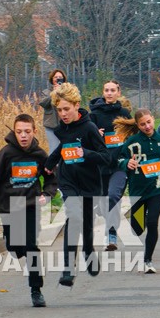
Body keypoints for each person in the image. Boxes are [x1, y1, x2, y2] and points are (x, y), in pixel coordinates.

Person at [44, 82, 111, 285]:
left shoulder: (89, 128)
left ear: (76, 105)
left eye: (66, 109)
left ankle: (89, 252)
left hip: (89, 182)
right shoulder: (61, 129)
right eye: (59, 110)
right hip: (68, 180)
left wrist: (86, 153)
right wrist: (50, 163)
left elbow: (105, 156)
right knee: (73, 217)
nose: (63, 114)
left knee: (87, 223)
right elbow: (64, 147)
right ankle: (68, 269)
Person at [0, 113, 52, 306]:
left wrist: (47, 194)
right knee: (14, 247)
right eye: (19, 132)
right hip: (8, 207)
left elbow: (51, 177)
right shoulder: (6, 154)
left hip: (31, 205)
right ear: (14, 132)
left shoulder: (40, 155)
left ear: (34, 131)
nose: (23, 135)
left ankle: (36, 290)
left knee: (31, 247)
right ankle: (14, 245)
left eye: (27, 131)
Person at [115, 110, 160, 273]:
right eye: (143, 124)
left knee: (152, 223)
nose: (147, 126)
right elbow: (119, 159)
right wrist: (127, 163)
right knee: (137, 228)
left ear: (153, 120)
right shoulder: (132, 142)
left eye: (149, 122)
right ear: (138, 125)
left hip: (157, 187)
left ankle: (148, 260)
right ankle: (140, 218)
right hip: (138, 189)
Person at [87, 80, 132, 251]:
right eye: (107, 90)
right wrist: (95, 135)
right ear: (103, 92)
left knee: (113, 196)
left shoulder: (125, 113)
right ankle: (104, 214)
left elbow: (131, 137)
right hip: (100, 166)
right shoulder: (94, 115)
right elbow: (86, 139)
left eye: (113, 90)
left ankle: (111, 235)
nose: (110, 93)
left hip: (119, 164)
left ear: (119, 92)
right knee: (103, 202)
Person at [38, 69, 68, 152]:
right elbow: (43, 103)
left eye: (60, 77)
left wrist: (62, 91)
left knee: (66, 147)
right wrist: (54, 92)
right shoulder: (46, 92)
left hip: (65, 125)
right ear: (52, 79)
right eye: (56, 77)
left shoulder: (68, 91)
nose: (58, 79)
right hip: (51, 125)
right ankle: (54, 165)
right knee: (54, 149)